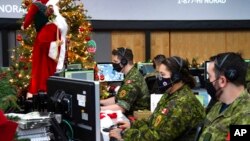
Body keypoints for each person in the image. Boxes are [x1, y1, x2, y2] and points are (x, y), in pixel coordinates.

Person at [109, 56, 206, 141]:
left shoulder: (182, 103)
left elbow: (158, 137)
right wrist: (132, 125)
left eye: (163, 75)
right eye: (159, 74)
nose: (159, 78)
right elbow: (153, 121)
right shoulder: (170, 93)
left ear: (176, 77)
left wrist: (124, 134)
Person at [198, 52, 250, 141]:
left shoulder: (245, 114)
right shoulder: (219, 105)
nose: (208, 80)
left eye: (209, 76)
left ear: (222, 81)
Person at [22, 0, 68, 98]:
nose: (59, 7)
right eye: (57, 5)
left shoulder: (52, 26)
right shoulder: (51, 27)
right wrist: (56, 44)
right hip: (46, 67)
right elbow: (43, 43)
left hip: (48, 66)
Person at [100, 47, 150, 116]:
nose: (113, 64)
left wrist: (99, 109)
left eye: (115, 62)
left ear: (124, 62)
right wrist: (100, 102)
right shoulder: (130, 74)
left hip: (136, 118)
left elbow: (121, 107)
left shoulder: (133, 79)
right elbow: (117, 99)